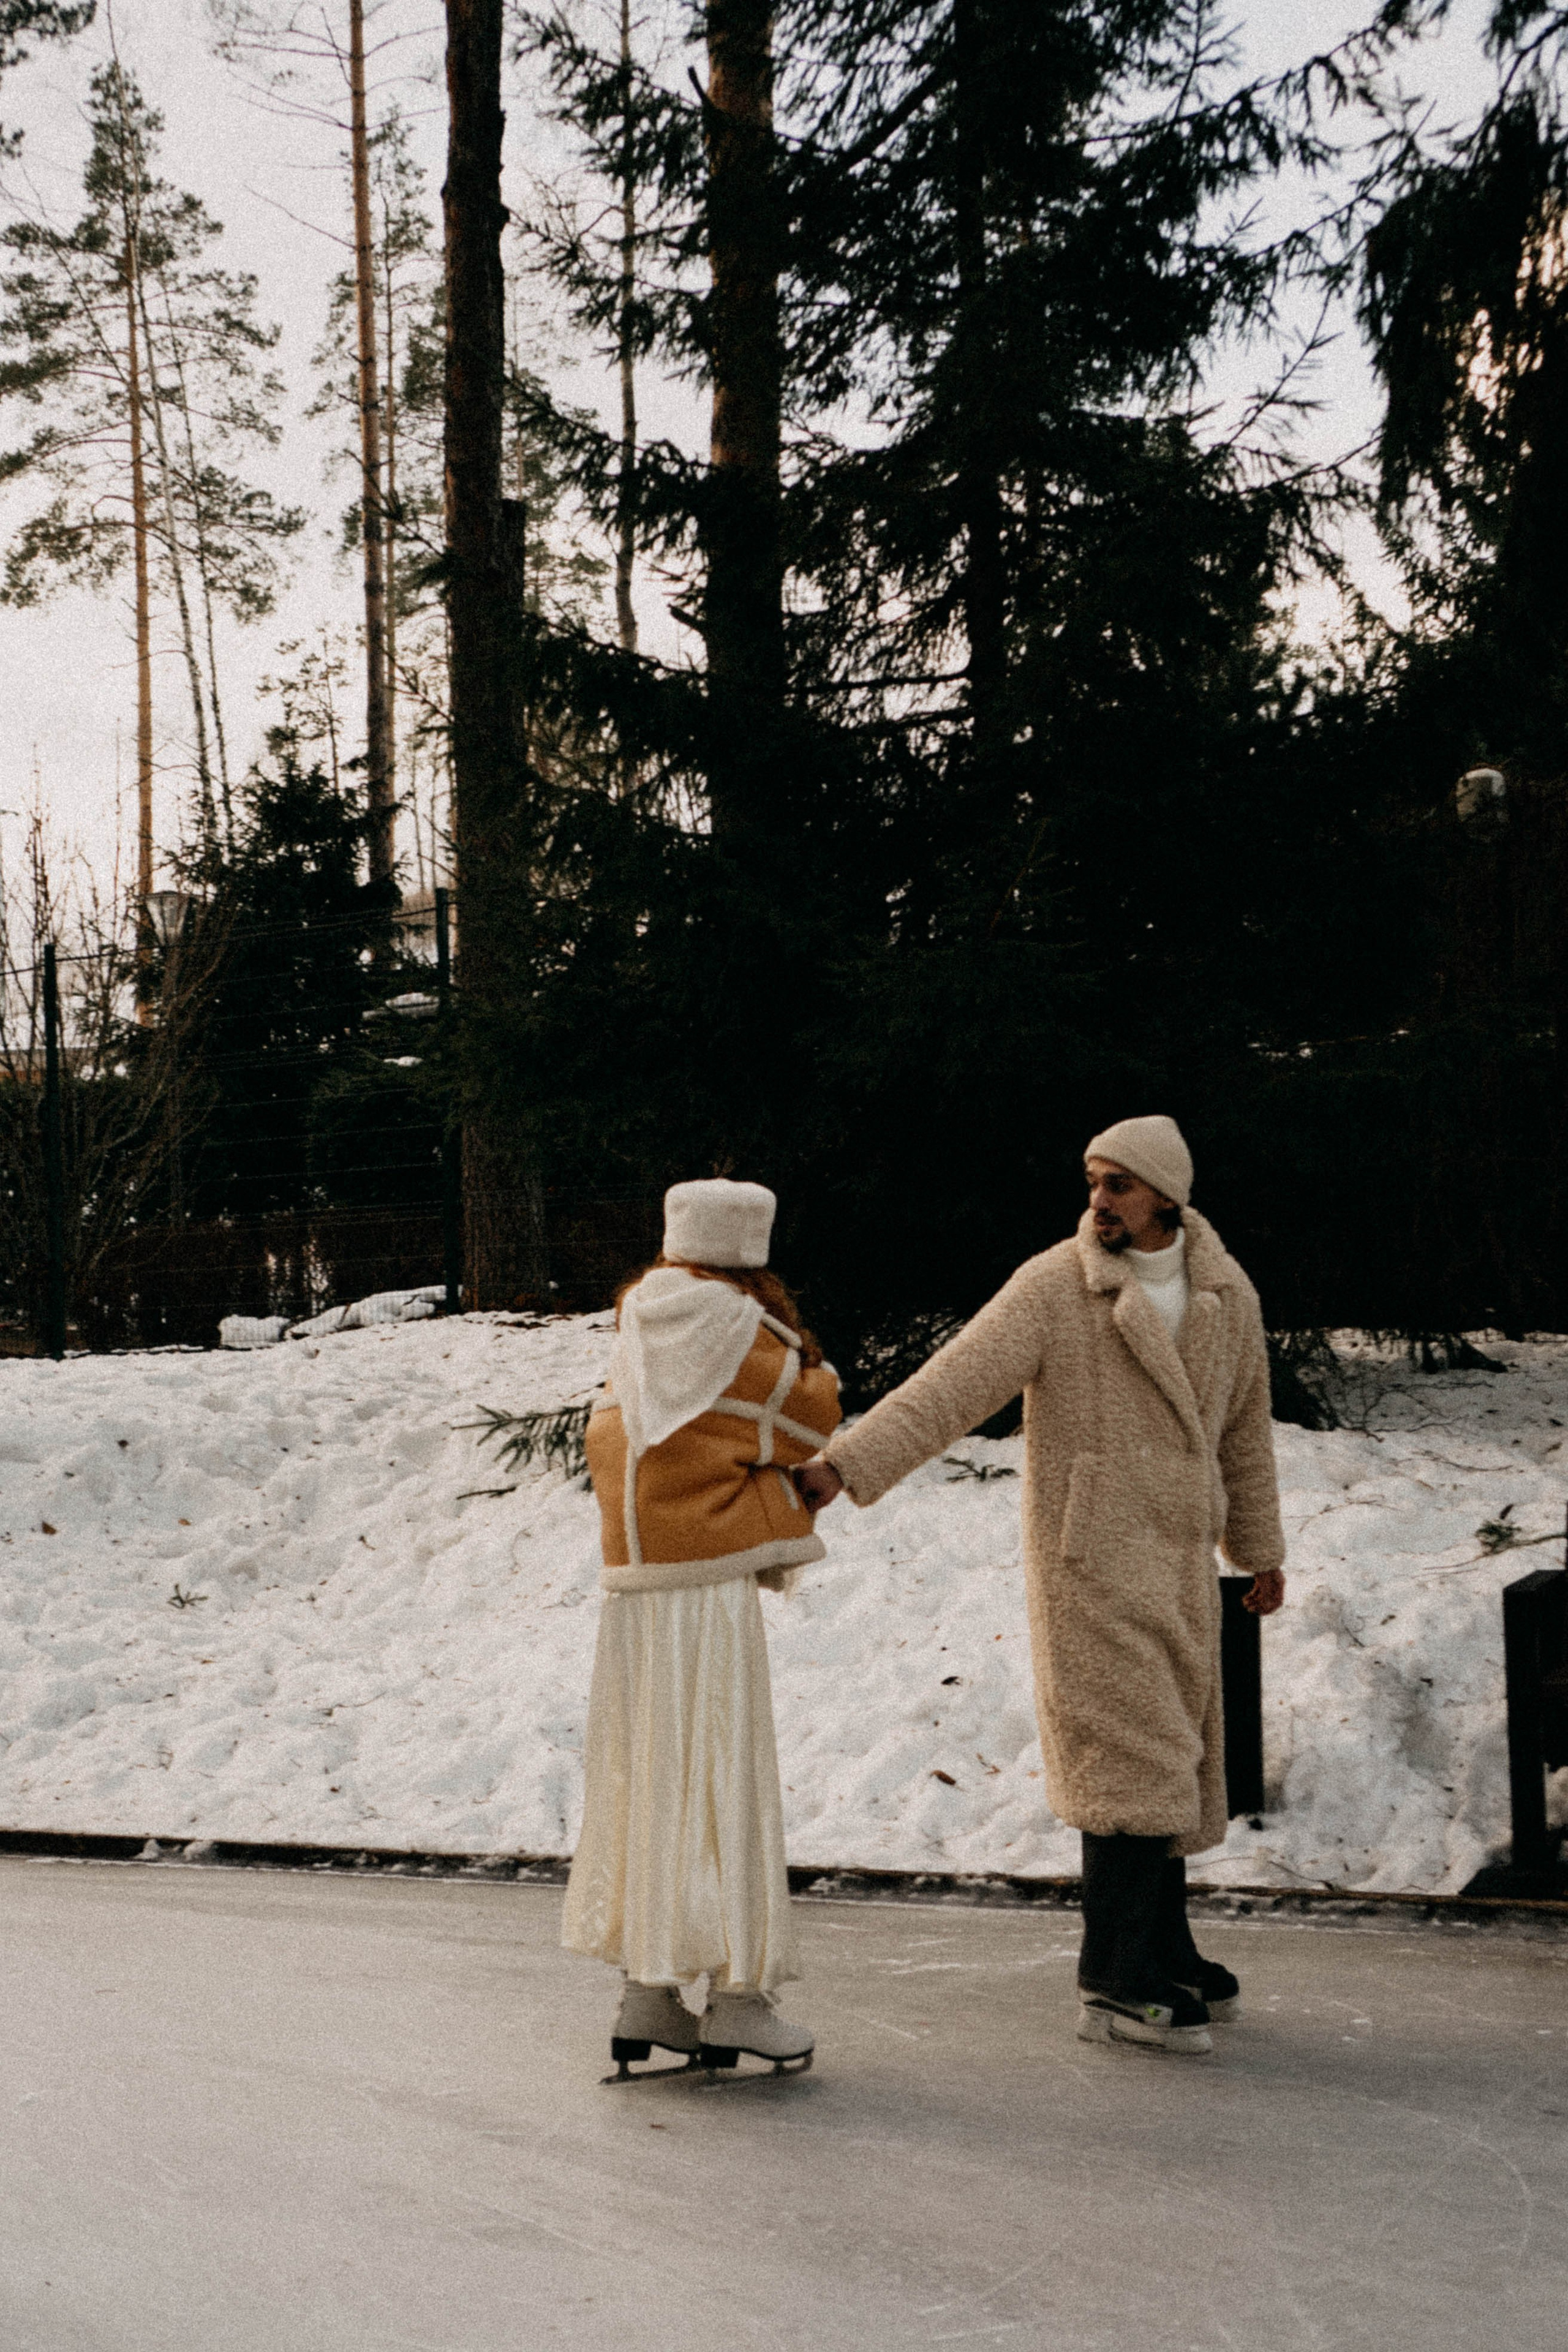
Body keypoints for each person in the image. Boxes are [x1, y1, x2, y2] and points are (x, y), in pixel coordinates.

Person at [796, 1116, 1286, 2057]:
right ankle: (1114, 1975)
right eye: (1093, 1182)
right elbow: (954, 1384)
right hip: (1090, 1557)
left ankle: (1163, 1945)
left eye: (1117, 1185)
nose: (1096, 1200)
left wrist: (1258, 1550)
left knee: (1174, 1751)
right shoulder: (1058, 1287)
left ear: (1165, 1198)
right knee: (1125, 1754)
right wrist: (846, 1465)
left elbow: (1244, 1431)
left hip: (1179, 1554)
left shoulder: (1225, 1293)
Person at [563, 1178, 842, 2078]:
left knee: (651, 1776)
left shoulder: (636, 1328)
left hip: (636, 1594)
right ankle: (739, 2000)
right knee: (725, 1778)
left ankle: (648, 1991)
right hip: (709, 1591)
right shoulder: (745, 1334)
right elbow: (816, 1415)